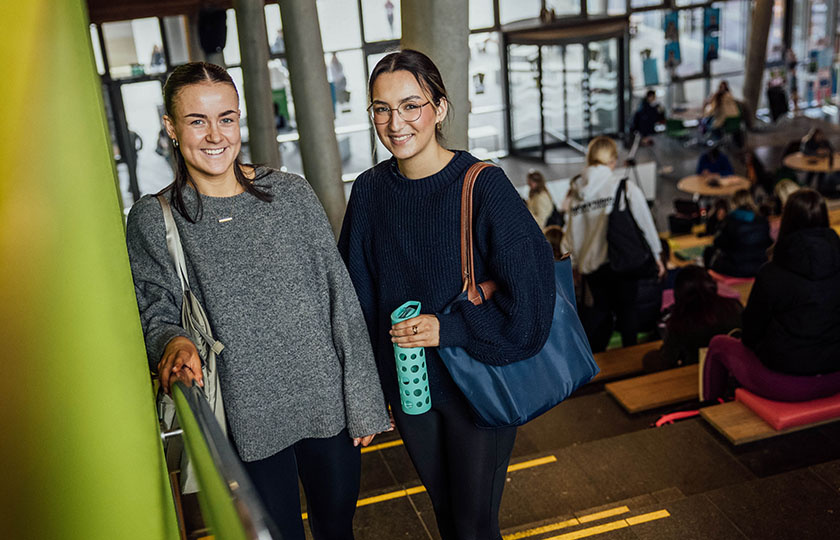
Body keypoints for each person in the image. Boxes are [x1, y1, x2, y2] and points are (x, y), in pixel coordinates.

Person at [125, 62, 389, 540]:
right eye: (196, 120)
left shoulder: (288, 194)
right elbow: (155, 310)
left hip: (325, 402)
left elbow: (339, 297)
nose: (215, 135)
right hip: (246, 415)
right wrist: (173, 342)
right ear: (170, 127)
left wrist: (364, 399)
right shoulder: (154, 218)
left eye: (226, 118)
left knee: (338, 528)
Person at [338, 49, 555, 540]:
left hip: (475, 381)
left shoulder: (483, 185)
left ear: (439, 107)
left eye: (411, 105)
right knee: (448, 520)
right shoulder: (370, 191)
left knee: (473, 523)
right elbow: (357, 298)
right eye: (381, 108)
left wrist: (449, 327)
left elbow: (534, 295)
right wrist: (372, 392)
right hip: (411, 387)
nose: (396, 123)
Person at [702, 189, 840, 401]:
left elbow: (750, 334)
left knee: (718, 345)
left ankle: (708, 411)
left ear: (787, 221)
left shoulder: (772, 273)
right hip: (834, 377)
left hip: (786, 380)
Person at [562, 136, 665, 352]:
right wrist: (657, 255)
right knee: (628, 312)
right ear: (612, 161)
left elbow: (570, 237)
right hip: (623, 264)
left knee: (599, 312)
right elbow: (645, 223)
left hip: (593, 269)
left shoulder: (577, 194)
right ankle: (630, 365)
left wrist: (575, 266)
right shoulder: (622, 187)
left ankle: (589, 360)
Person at [643, 265, 742, 372]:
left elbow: (667, 359)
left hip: (699, 373)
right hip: (735, 368)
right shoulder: (733, 305)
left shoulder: (681, 319)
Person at [703, 189, 772, 278]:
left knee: (708, 251)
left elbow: (717, 243)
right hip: (760, 266)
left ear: (733, 203)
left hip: (736, 269)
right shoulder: (763, 221)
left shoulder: (729, 221)